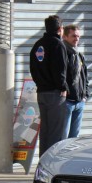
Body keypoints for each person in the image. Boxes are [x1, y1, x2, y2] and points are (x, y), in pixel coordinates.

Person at [29, 15, 69, 156]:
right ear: (60, 29)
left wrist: (41, 83)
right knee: (56, 132)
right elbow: (60, 70)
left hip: (42, 92)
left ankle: (42, 160)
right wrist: (63, 87)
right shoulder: (58, 44)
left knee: (45, 131)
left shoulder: (38, 44)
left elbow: (33, 69)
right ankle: (50, 164)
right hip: (55, 93)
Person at [63, 24, 88, 138]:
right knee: (63, 137)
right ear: (65, 37)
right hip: (67, 102)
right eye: (73, 36)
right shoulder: (63, 54)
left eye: (78, 36)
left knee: (74, 138)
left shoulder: (79, 55)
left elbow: (85, 77)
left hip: (79, 102)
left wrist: (85, 95)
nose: (76, 39)